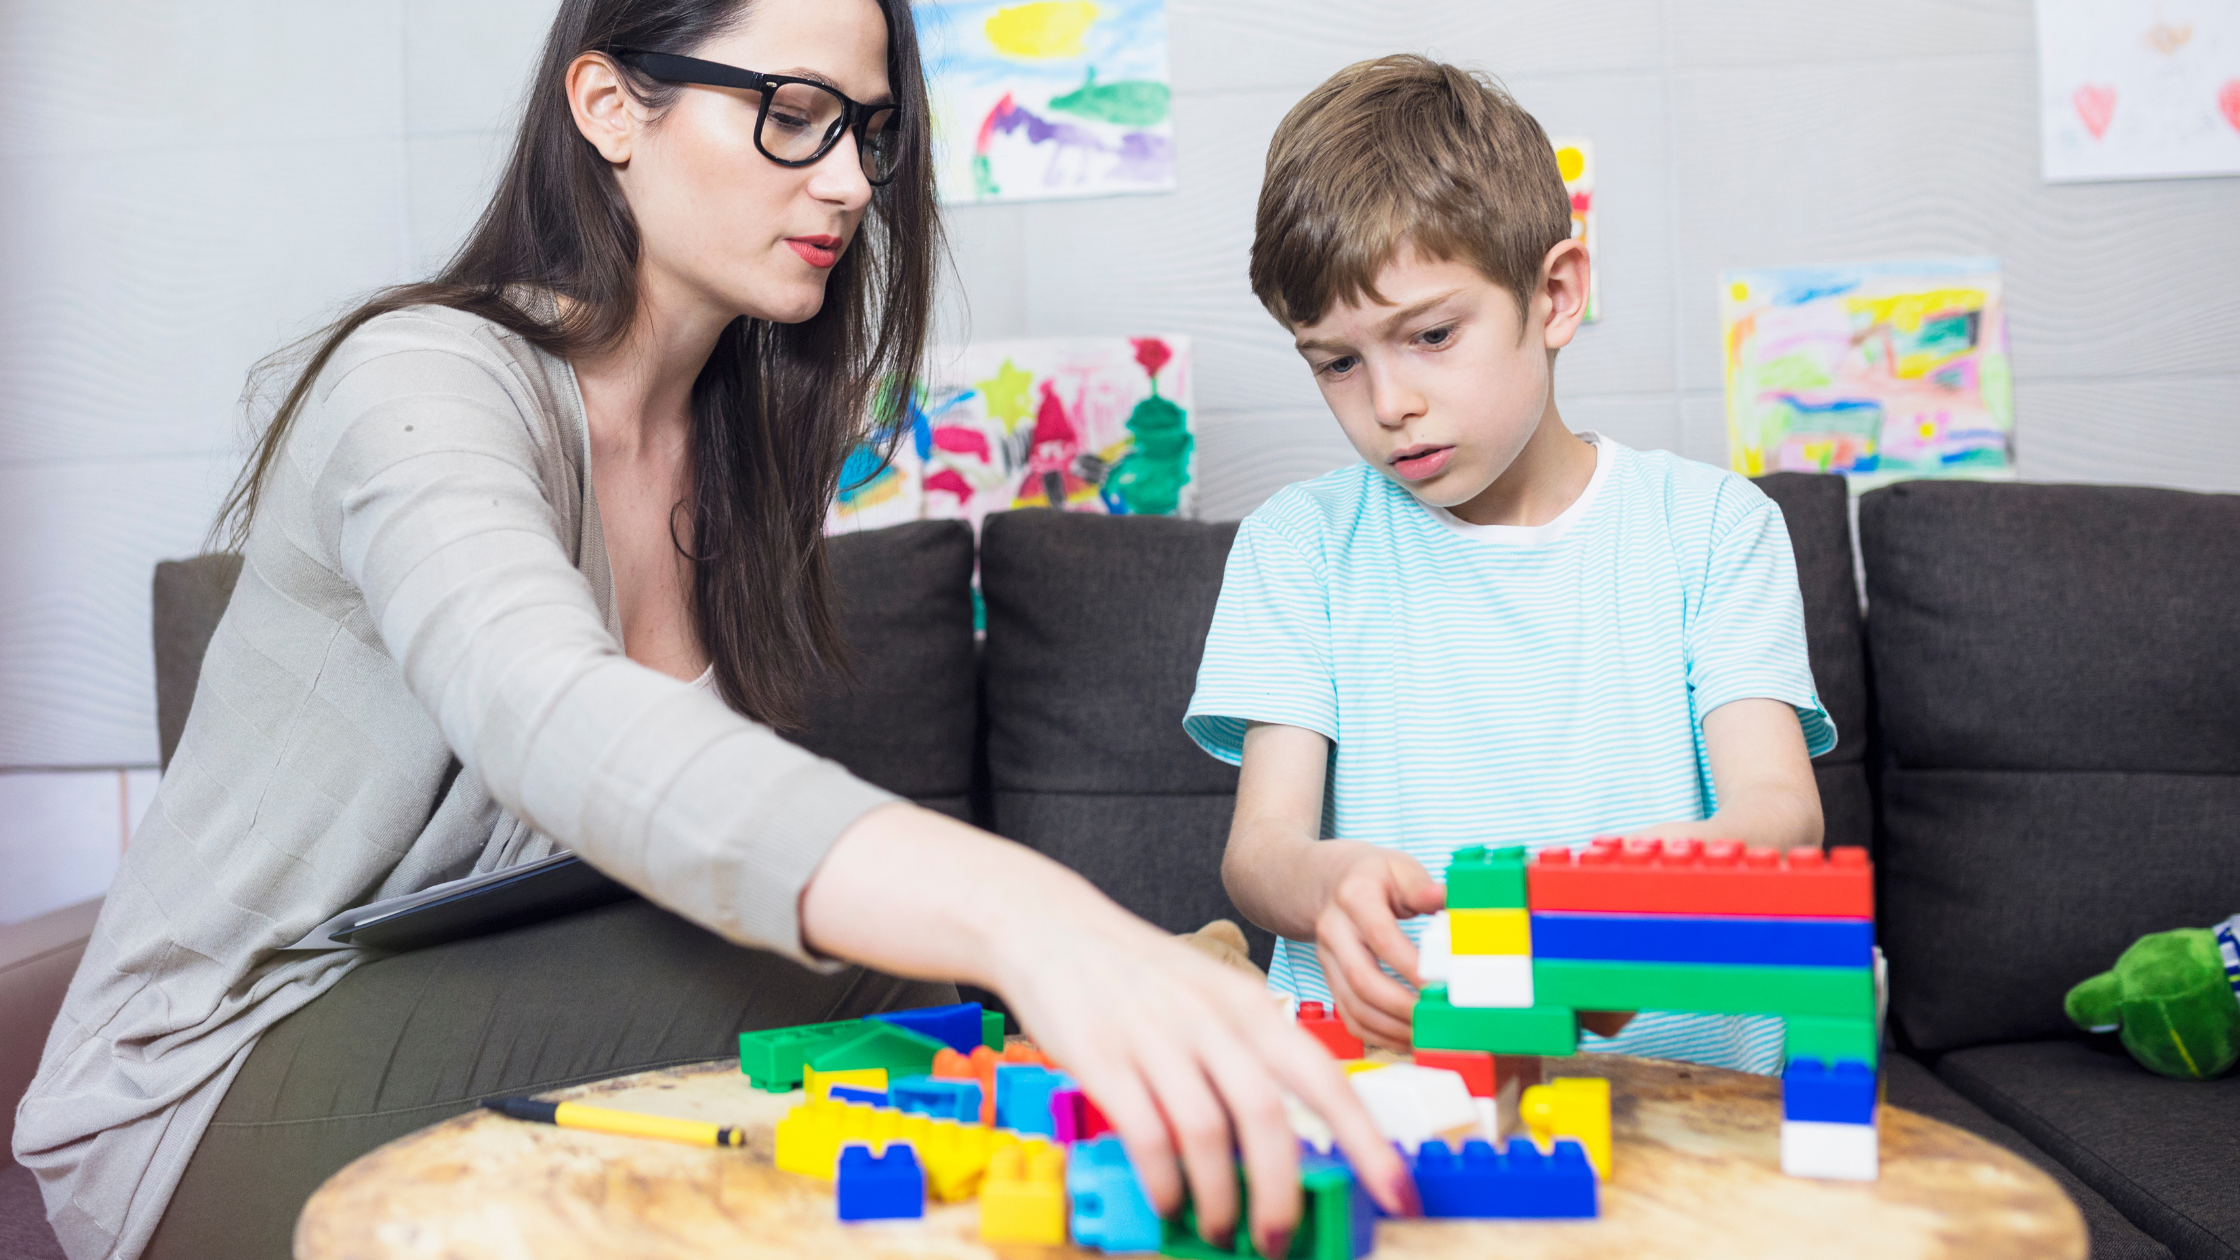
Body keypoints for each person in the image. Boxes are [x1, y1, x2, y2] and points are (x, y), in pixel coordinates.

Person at [11, 4, 1411, 1258]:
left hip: (461, 988)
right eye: (795, 114)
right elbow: (545, 712)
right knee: (911, 967)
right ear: (611, 107)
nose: (853, 179)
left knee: (916, 1024)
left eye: (866, 131)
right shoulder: (424, 382)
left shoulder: (741, 442)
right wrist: (1035, 915)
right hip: (203, 1077)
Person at [1186, 56, 1835, 1069]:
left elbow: (1781, 812)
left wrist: (1640, 893)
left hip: (1690, 1096)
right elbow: (1260, 848)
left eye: (1430, 334)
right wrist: (1324, 881)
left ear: (1555, 295)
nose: (1387, 402)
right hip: (1397, 1084)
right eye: (1337, 363)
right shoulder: (1296, 547)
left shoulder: (1712, 527)